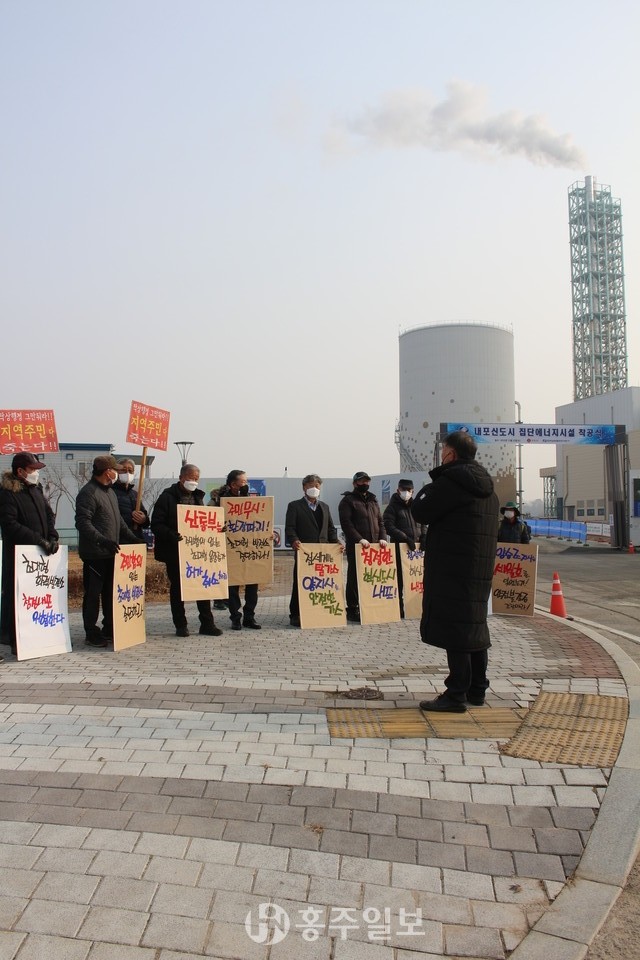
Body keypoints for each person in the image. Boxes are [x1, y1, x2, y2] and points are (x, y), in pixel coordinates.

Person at [411, 431, 499, 712]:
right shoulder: (488, 488)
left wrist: (432, 482)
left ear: (450, 453)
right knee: (473, 626)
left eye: (443, 451)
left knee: (457, 630)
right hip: (478, 568)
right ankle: (477, 689)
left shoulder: (452, 482)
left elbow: (420, 510)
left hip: (452, 568)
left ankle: (456, 694)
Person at [75, 454, 144, 648]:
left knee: (109, 593)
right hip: (95, 554)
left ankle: (109, 627)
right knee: (93, 594)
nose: (118, 472)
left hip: (111, 552)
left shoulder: (109, 492)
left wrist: (133, 538)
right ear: (108, 472)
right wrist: (102, 540)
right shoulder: (88, 493)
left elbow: (119, 522)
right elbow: (82, 522)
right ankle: (91, 631)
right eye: (116, 469)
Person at [151, 463, 223, 638]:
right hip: (174, 552)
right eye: (190, 478)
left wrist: (218, 528)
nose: (193, 482)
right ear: (181, 478)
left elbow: (203, 523)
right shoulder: (167, 497)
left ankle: (207, 624)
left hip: (196, 551)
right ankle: (181, 625)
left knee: (203, 587)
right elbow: (156, 524)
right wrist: (171, 534)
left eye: (196, 479)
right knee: (178, 590)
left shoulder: (198, 498)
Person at [0, 452, 60, 657]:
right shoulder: (7, 493)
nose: (36, 473)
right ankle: (17, 641)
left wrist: (52, 536)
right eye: (33, 469)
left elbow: (48, 514)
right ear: (20, 471)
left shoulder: (36, 490)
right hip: (20, 555)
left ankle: (39, 638)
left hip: (41, 555)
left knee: (37, 597)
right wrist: (38, 540)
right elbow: (9, 524)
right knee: (18, 599)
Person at [285, 474, 343, 627]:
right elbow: (290, 528)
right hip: (305, 551)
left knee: (321, 583)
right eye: (311, 486)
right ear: (304, 487)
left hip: (323, 553)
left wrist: (336, 542)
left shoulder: (324, 506)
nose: (314, 489)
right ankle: (296, 614)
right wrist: (294, 540)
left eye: (317, 486)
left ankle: (318, 611)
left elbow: (330, 529)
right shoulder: (294, 506)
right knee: (300, 582)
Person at [210, 470, 261, 631]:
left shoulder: (253, 503)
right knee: (232, 587)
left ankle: (249, 617)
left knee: (252, 584)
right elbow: (209, 523)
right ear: (233, 484)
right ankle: (235, 618)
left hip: (250, 550)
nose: (246, 485)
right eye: (243, 482)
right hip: (229, 550)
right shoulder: (217, 502)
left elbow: (261, 521)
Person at [338, 471, 388, 623]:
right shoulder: (347, 501)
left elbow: (380, 522)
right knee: (354, 577)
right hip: (358, 547)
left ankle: (369, 605)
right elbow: (347, 524)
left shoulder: (373, 500)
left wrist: (383, 538)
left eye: (367, 481)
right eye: (361, 481)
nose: (364, 484)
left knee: (371, 577)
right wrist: (359, 539)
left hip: (374, 547)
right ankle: (352, 608)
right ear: (355, 484)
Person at [382, 479, 426, 618]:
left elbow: (423, 522)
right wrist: (405, 537)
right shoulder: (392, 507)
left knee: (417, 578)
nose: (406, 493)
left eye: (409, 490)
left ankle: (416, 606)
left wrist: (424, 536)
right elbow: (388, 526)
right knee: (399, 580)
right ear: (398, 490)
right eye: (403, 490)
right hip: (400, 548)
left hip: (417, 550)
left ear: (413, 492)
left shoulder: (416, 506)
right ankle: (399, 607)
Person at [113, 459, 150, 534]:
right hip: (118, 537)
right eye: (123, 470)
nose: (127, 473)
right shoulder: (110, 492)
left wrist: (144, 519)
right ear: (116, 471)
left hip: (136, 537)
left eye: (130, 470)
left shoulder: (135, 494)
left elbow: (145, 518)